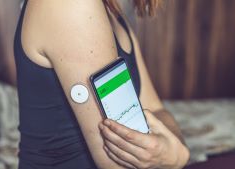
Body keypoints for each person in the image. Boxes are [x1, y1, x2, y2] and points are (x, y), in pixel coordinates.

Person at [14, 0, 190, 168]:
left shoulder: (111, 10)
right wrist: (177, 156)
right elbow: (117, 162)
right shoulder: (70, 5)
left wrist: (173, 149)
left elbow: (155, 108)